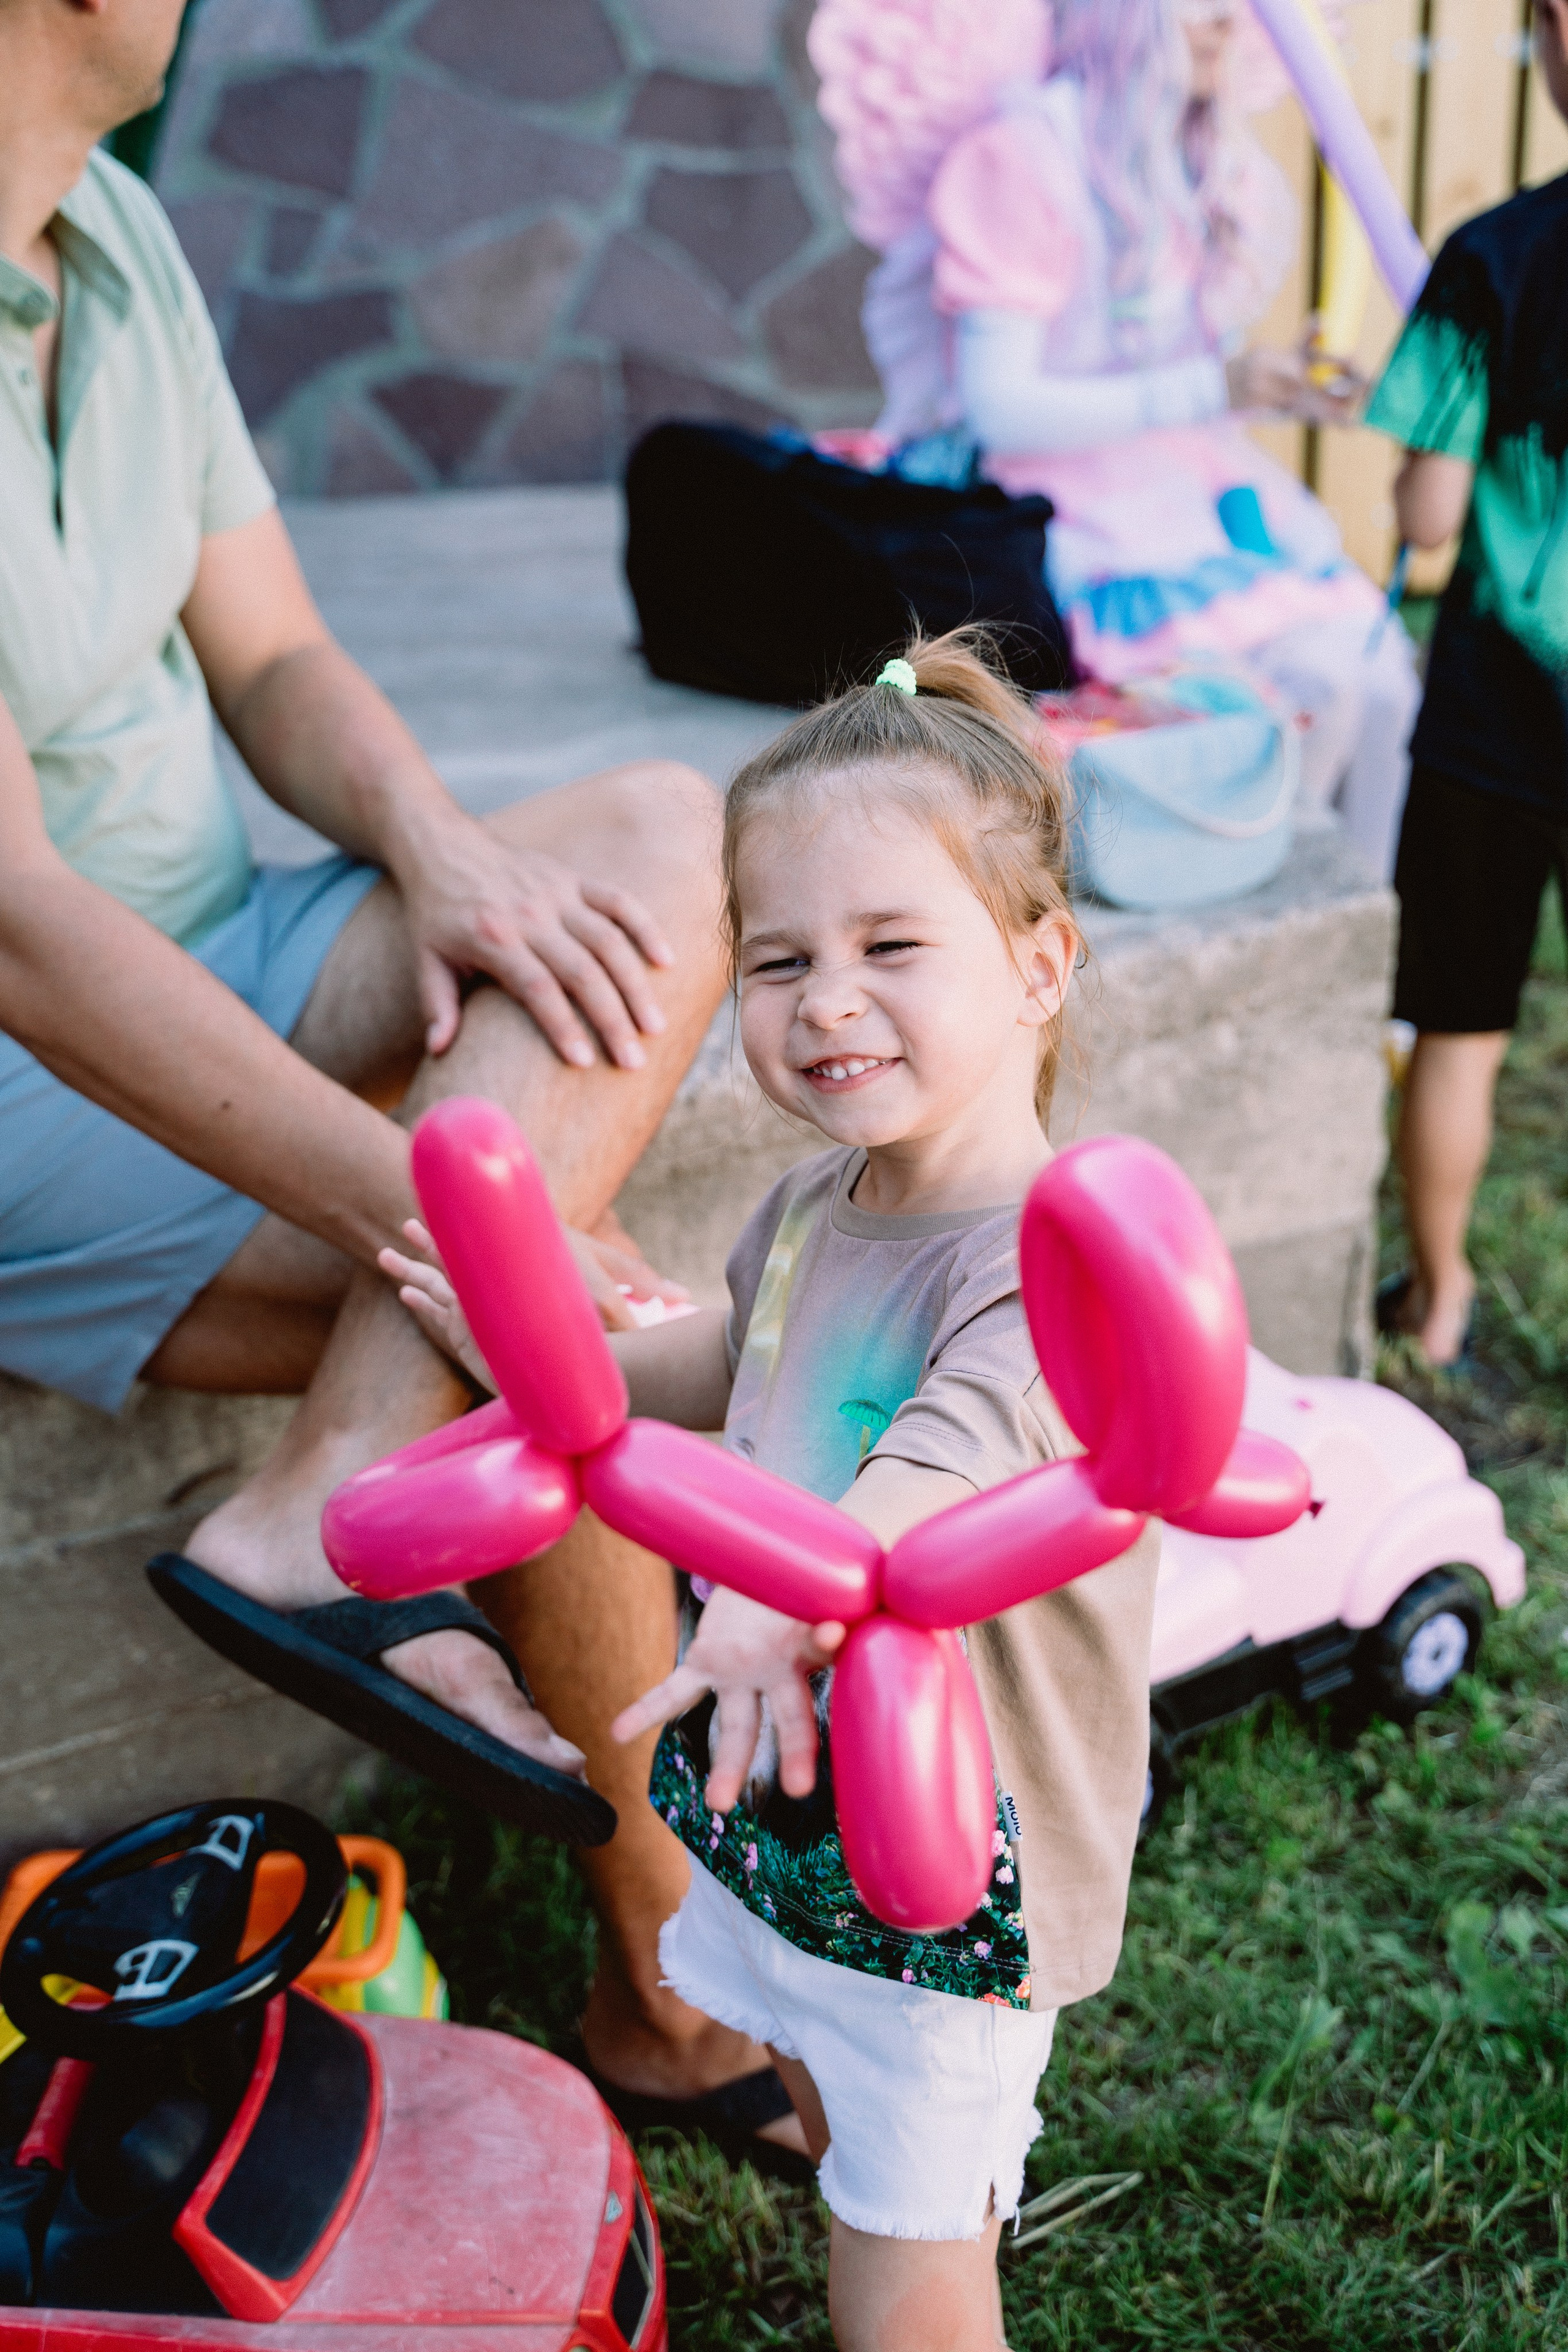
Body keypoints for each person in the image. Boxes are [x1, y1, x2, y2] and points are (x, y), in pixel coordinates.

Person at [0, 0, 807, 2162]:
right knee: (535, 1312)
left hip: (235, 947)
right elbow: (19, 928)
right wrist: (451, 1215)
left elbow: (267, 657)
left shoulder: (117, 239)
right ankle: (669, 1982)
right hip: (23, 1080)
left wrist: (442, 850)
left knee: (645, 834)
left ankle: (319, 1497)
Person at [387, 631, 1160, 2352]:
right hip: (786, 1781)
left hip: (955, 1857)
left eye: (893, 946)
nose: (824, 1000)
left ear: (1039, 965)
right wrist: (558, 1352)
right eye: (779, 956)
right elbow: (738, 1374)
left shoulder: (1054, 1262)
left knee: (902, 2252)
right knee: (825, 2079)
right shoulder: (816, 1206)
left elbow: (918, 1477)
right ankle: (858, 2150)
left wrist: (771, 1599)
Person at [810, 0, 1422, 880]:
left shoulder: (1210, 166)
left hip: (1189, 493)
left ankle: (1373, 950)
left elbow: (1174, 377)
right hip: (1060, 514)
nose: (1223, 24)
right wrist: (1216, 387)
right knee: (1308, 694)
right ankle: (1268, 911)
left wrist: (1269, 390)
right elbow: (1001, 409)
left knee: (1383, 676)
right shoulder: (1020, 160)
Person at [1362, 0, 1568, 1368]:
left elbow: (1429, 517)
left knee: (1457, 1027)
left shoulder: (1493, 256)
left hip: (1496, 721)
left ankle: (1434, 1308)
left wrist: (1411, 467)